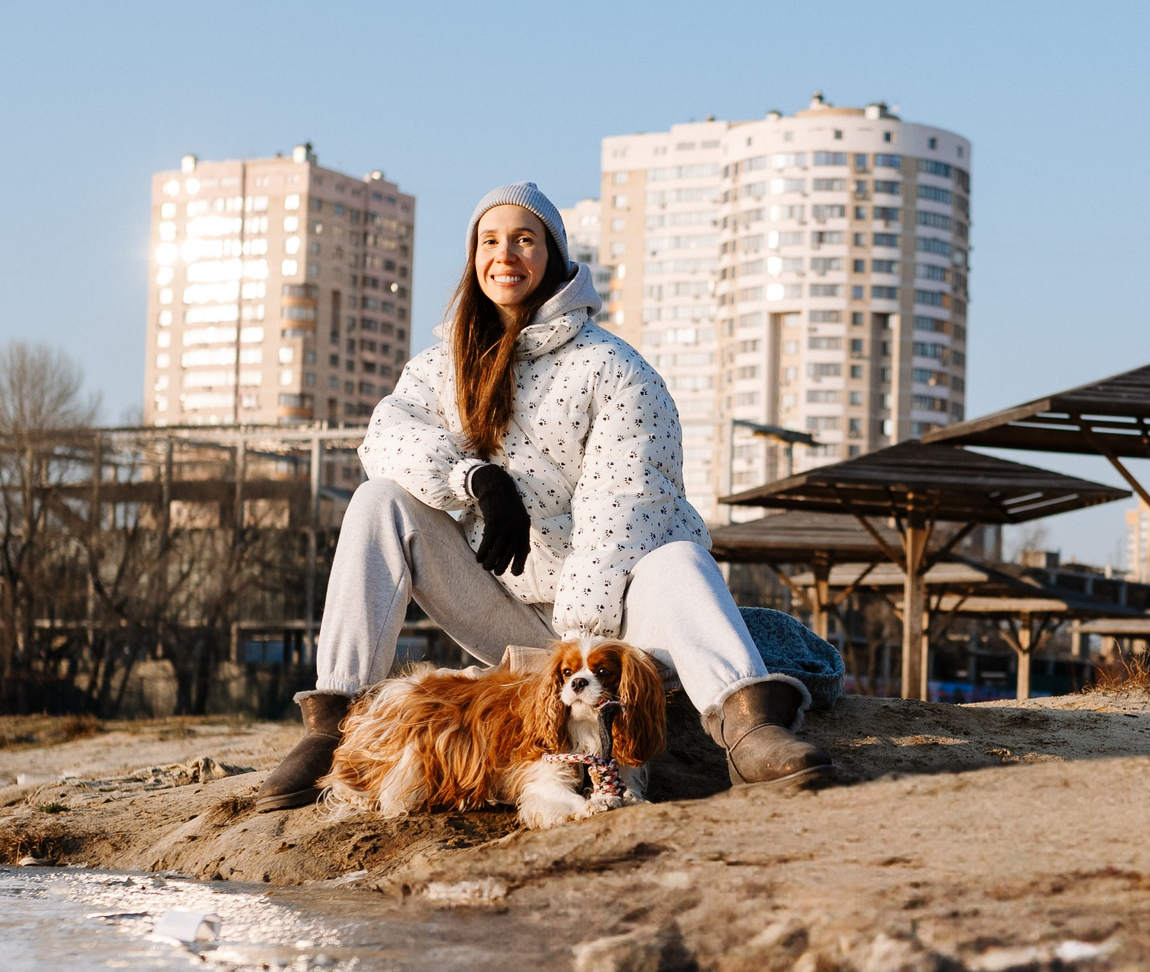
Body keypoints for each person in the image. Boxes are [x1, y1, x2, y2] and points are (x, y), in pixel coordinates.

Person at [254, 181, 830, 812]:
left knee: (678, 558)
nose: (506, 255)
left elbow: (624, 508)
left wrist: (579, 647)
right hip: (511, 613)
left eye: (524, 240)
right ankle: (331, 723)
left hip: (613, 633)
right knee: (377, 502)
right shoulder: (443, 365)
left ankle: (749, 725)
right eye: (490, 241)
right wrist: (472, 478)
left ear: (553, 254)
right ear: (474, 256)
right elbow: (386, 436)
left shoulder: (614, 368)